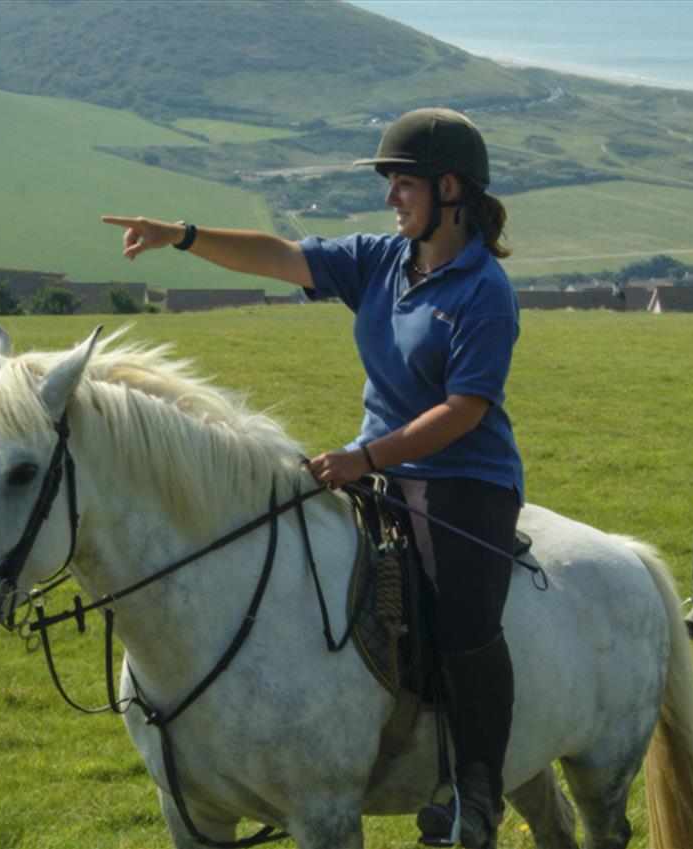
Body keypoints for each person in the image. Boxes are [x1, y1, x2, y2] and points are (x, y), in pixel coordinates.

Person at [102, 107, 522, 849]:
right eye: (391, 185)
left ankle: (478, 791)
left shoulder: (483, 288)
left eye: (403, 184)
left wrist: (366, 458)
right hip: (372, 467)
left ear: (448, 188)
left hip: (461, 477)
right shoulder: (382, 261)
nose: (392, 198)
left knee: (462, 616)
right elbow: (280, 256)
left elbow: (465, 409)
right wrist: (185, 236)